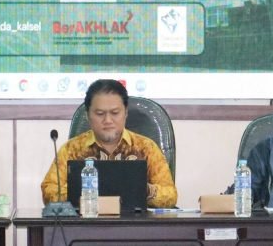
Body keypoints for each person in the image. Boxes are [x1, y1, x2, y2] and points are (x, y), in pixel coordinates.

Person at [40, 79, 177, 208]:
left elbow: (170, 195)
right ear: (88, 115)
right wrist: (85, 191)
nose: (108, 120)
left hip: (134, 223)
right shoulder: (71, 149)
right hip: (86, 221)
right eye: (100, 113)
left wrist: (144, 190)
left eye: (115, 113)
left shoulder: (146, 148)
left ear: (125, 113)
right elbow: (49, 191)